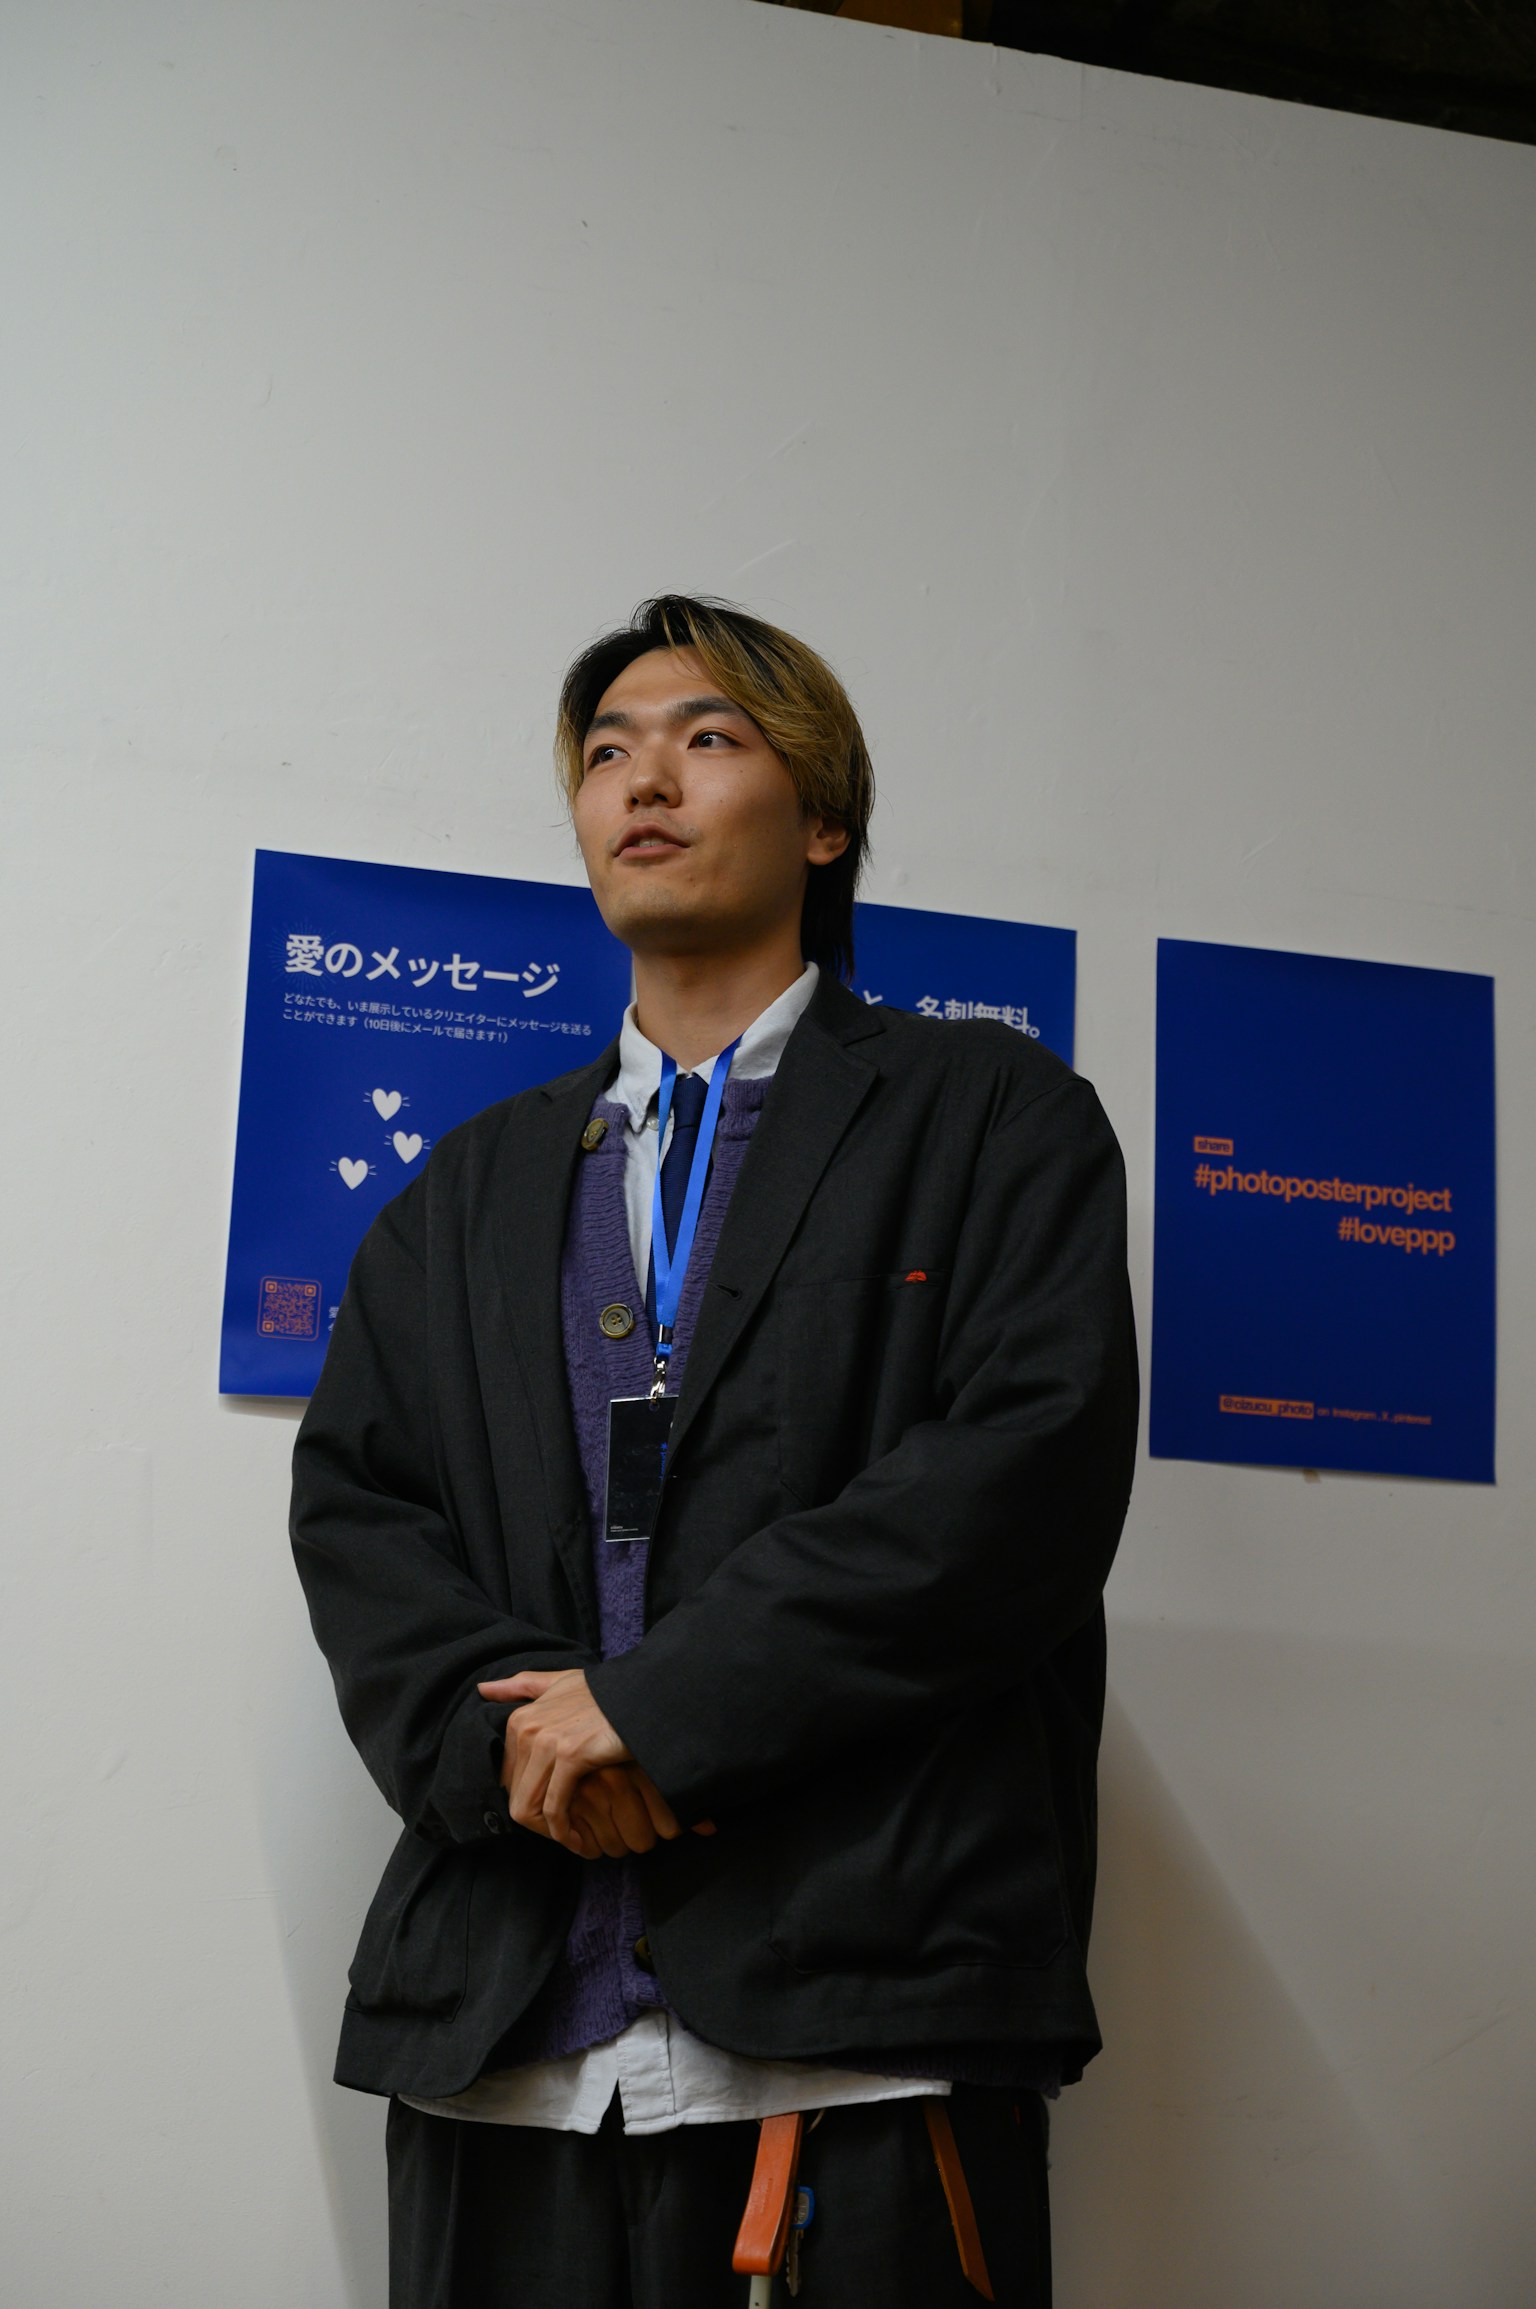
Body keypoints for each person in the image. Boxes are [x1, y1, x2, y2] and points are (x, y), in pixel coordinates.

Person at [291, 594, 1138, 2308]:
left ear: (822, 820)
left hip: (864, 2027)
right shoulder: (460, 1192)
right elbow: (359, 1516)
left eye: (706, 737)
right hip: (505, 2046)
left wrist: (661, 1710)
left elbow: (1019, 1482)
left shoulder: (991, 1117)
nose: (640, 781)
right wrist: (527, 1748)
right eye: (604, 753)